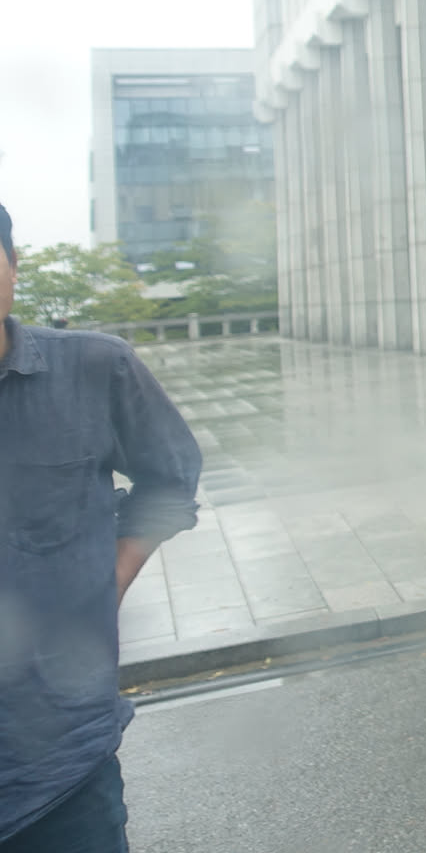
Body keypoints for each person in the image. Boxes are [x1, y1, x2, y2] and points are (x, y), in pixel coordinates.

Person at [1, 202, 202, 852]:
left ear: (12, 266)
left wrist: (107, 583)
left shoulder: (94, 368)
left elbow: (170, 478)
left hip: (59, 770)